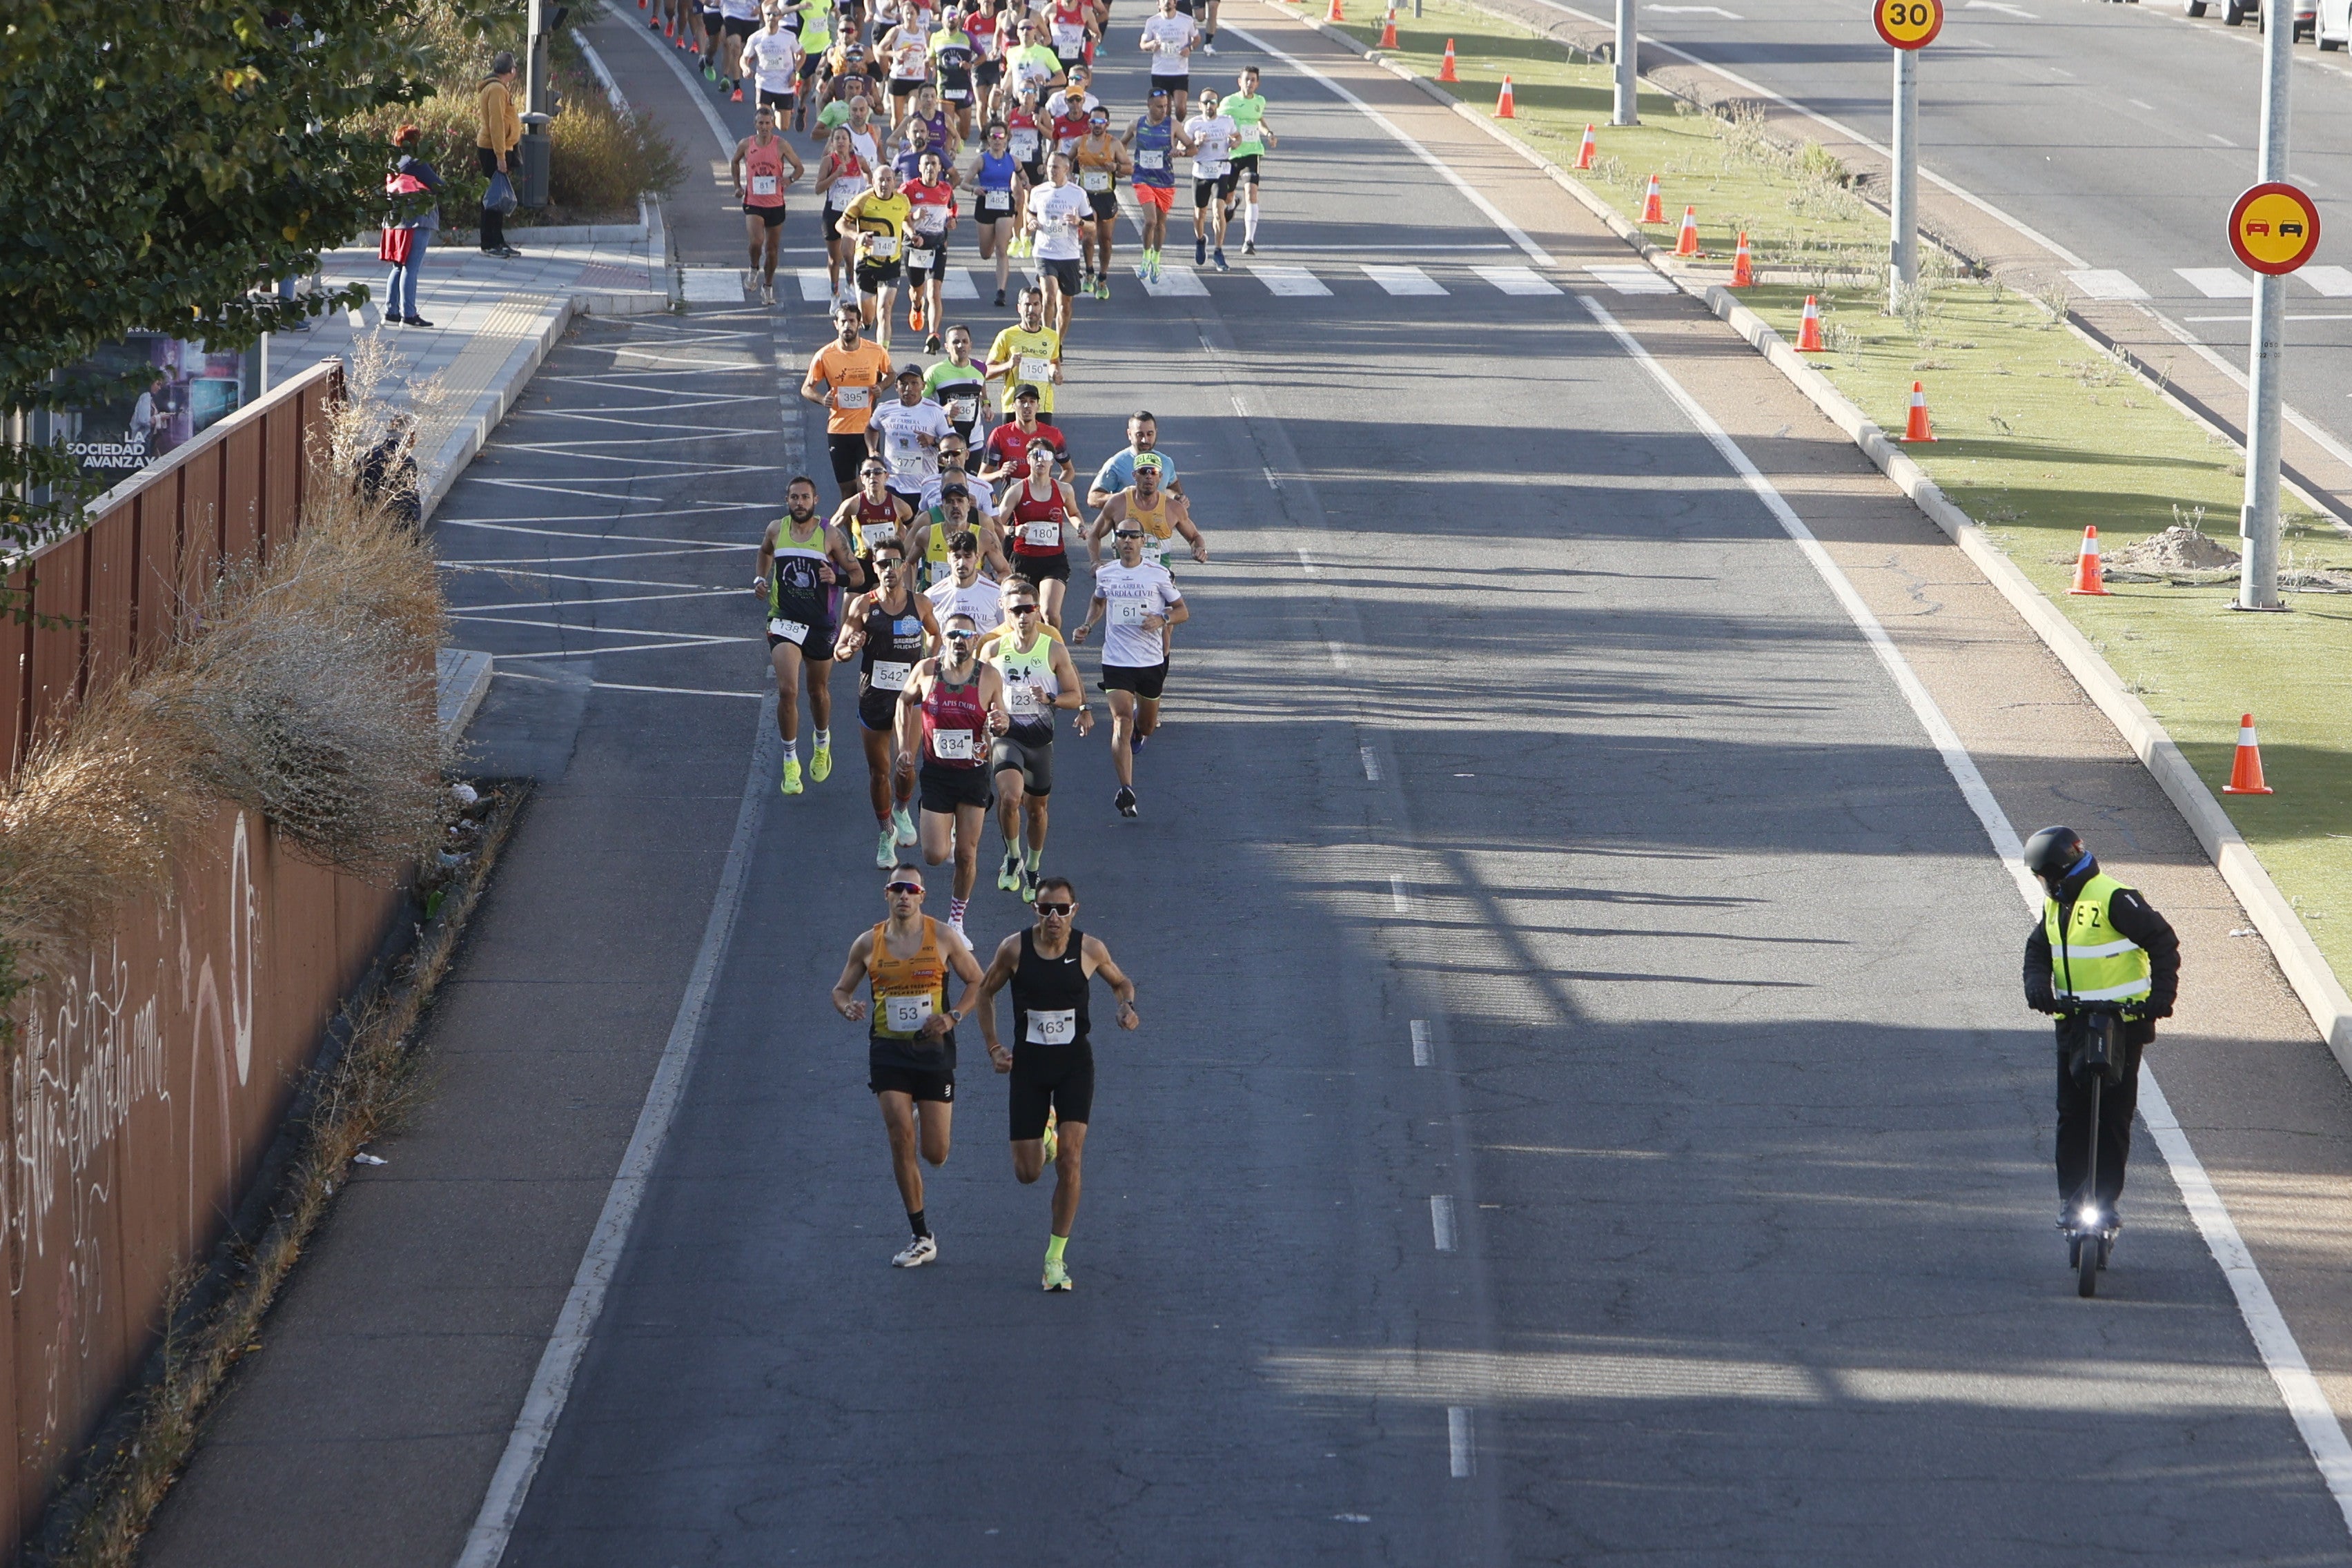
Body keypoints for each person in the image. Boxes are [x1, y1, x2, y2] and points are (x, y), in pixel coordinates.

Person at [973, 877, 1140, 1291]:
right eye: (1046, 909)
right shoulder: (1014, 949)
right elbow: (984, 993)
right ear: (1036, 910)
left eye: (1061, 910)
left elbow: (1121, 982)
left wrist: (1126, 1006)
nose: (1053, 917)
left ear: (1074, 911)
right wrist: (993, 1047)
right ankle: (1047, 1135)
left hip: (1073, 1066)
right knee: (1027, 1172)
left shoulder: (1090, 949)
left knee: (1071, 1160)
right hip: (1029, 1067)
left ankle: (1055, 1258)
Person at [2021, 825, 2180, 1244]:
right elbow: (2039, 948)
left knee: (2114, 1116)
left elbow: (2162, 941)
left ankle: (2105, 1203)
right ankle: (2072, 1202)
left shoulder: (2113, 897)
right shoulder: (2057, 904)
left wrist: (2160, 997)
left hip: (2123, 1024)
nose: (2042, 883)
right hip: (2074, 1022)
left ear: (2058, 872)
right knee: (2071, 1115)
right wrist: (2037, 986)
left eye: (2042, 875)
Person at [830, 865, 986, 1268]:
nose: (904, 895)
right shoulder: (868, 943)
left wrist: (952, 1017)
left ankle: (921, 1114)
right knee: (900, 1138)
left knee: (935, 1153)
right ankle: (921, 1236)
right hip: (889, 1052)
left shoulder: (944, 937)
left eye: (911, 889)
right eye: (897, 888)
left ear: (922, 896)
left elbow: (978, 981)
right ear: (887, 894)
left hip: (933, 1053)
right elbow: (840, 990)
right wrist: (847, 1007)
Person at [899, 612, 1011, 935]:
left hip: (973, 774)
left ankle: (957, 922)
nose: (959, 641)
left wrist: (1001, 723)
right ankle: (940, 824)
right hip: (937, 773)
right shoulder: (926, 670)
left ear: (975, 640)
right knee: (934, 855)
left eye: (965, 635)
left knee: (966, 854)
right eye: (952, 635)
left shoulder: (989, 676)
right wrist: (904, 747)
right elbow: (903, 702)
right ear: (943, 640)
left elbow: (1001, 718)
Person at [977, 582, 1088, 902]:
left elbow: (1074, 696)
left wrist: (1050, 698)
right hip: (1007, 736)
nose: (1023, 616)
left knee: (1038, 811)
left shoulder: (1054, 650)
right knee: (1011, 797)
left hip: (1040, 740)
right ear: (1007, 613)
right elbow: (978, 697)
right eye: (1016, 610)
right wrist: (982, 729)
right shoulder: (992, 650)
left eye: (1029, 609)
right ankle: (1013, 855)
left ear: (1038, 611)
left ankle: (1033, 866)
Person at [834, 538, 941, 865]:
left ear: (904, 566)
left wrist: (930, 664)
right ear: (875, 568)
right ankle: (886, 833)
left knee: (906, 764)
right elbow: (839, 652)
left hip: (909, 698)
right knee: (879, 773)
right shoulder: (863, 606)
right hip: (874, 698)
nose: (889, 569)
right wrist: (852, 647)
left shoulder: (920, 603)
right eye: (883, 564)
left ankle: (902, 808)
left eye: (895, 563)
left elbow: (936, 634)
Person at [1070, 520, 1184, 818]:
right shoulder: (1106, 573)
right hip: (1116, 661)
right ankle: (1126, 789)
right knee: (1121, 720)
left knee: (1145, 726)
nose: (1128, 541)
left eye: (1134, 536)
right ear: (1116, 541)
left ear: (1143, 542)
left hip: (1150, 662)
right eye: (1123, 536)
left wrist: (1162, 619)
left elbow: (1182, 611)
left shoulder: (1157, 574)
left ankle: (1140, 730)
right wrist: (1087, 625)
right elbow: (1098, 602)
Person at [755, 476, 859, 793]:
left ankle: (822, 742)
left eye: (805, 497)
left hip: (820, 625)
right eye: (794, 497)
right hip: (783, 620)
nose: (799, 503)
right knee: (788, 690)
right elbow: (765, 552)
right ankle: (790, 762)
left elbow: (858, 575)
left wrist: (836, 579)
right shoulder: (776, 529)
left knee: (817, 691)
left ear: (815, 500)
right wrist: (759, 579)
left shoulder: (831, 535)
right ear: (787, 500)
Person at [801, 302, 894, 500]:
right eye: (843, 321)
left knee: (869, 485)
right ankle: (851, 522)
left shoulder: (875, 351)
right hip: (839, 431)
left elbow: (891, 374)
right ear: (836, 324)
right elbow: (806, 388)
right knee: (847, 489)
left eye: (852, 321)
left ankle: (867, 520)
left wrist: (881, 387)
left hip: (867, 431)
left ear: (859, 323)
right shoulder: (825, 355)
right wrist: (822, 399)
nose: (847, 326)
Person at [1001, 435, 1081, 629]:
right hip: (1023, 560)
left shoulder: (1064, 490)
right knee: (1026, 615)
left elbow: (1073, 513)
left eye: (1045, 456)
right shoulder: (1017, 491)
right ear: (1028, 459)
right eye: (1035, 455)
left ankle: (1057, 647)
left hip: (1053, 561)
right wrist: (1014, 530)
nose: (1040, 460)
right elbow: (995, 524)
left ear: (1052, 461)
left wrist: (1080, 526)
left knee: (1049, 613)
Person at [1087, 453, 1204, 581]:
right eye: (1143, 472)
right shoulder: (1118, 503)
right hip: (1124, 579)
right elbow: (1094, 534)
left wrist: (1199, 550)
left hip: (1159, 579)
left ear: (1160, 476)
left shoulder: (1173, 508)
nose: (1149, 476)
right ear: (1134, 475)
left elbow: (1194, 537)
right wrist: (1095, 561)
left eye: (1154, 472)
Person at [732, 106, 808, 303]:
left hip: (775, 204)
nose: (764, 127)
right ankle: (753, 268)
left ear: (773, 124)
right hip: (753, 202)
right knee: (756, 242)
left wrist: (790, 180)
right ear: (755, 124)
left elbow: (799, 167)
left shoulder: (781, 145)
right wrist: (738, 186)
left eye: (767, 123)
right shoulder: (746, 144)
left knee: (772, 250)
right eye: (761, 123)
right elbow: (735, 162)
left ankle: (767, 287)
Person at [1123, 90, 1193, 284]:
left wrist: (1181, 153)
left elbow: (1192, 148)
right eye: (1159, 107)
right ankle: (1145, 257)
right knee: (1150, 221)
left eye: (1166, 106)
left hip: (1165, 181)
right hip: (1142, 179)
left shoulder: (1173, 125)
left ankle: (1156, 259)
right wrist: (1124, 163)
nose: (1164, 110)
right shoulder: (1136, 124)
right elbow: (1122, 145)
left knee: (1161, 224)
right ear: (1149, 105)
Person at [841, 161, 914, 348]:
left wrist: (912, 234)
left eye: (888, 180)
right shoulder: (863, 200)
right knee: (868, 318)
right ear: (873, 182)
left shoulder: (902, 201)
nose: (884, 184)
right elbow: (841, 224)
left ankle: (882, 355)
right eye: (881, 180)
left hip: (891, 264)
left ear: (894, 181)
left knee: (884, 310)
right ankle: (866, 323)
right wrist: (858, 236)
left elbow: (906, 220)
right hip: (866, 264)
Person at [872, 364, 953, 515]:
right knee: (892, 528)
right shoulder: (884, 409)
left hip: (924, 486)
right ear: (896, 387)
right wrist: (872, 450)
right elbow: (871, 428)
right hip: (892, 484)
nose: (908, 389)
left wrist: (933, 441)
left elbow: (953, 444)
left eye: (914, 383)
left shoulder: (937, 412)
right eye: (903, 384)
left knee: (922, 528)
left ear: (923, 385)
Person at [1023, 152, 1090, 334]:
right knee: (1049, 296)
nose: (1051, 170)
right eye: (1049, 166)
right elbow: (1030, 213)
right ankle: (1047, 339)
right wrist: (1032, 221)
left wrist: (1079, 222)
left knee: (1064, 305)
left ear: (1066, 169)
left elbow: (1092, 226)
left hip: (1068, 254)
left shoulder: (1077, 193)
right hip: (1045, 252)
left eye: (1056, 167)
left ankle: (1058, 342)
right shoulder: (1038, 191)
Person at [385, 126, 442, 329]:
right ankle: (409, 315)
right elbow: (438, 185)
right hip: (417, 220)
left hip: (395, 221)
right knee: (411, 267)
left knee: (398, 267)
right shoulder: (416, 163)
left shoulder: (394, 162)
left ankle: (391, 312)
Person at [901, 150, 959, 351]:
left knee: (934, 292)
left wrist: (952, 220)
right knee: (918, 292)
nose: (930, 168)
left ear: (940, 168)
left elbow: (952, 209)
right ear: (919, 168)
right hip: (915, 246)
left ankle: (933, 334)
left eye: (934, 164)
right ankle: (917, 307)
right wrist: (914, 217)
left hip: (937, 245)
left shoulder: (946, 189)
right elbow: (899, 215)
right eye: (926, 164)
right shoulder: (909, 189)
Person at [964, 121, 1026, 307]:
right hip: (985, 204)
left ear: (1007, 139)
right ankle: (989, 250)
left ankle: (1001, 291)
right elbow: (964, 183)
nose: (997, 140)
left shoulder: (1013, 161)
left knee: (1001, 249)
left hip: (1005, 205)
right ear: (988, 139)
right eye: (993, 137)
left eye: (1001, 136)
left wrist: (1024, 184)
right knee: (986, 253)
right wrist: (974, 189)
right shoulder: (981, 160)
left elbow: (1024, 178)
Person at [1072, 108, 1130, 299]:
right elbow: (1065, 161)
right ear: (1089, 124)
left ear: (1107, 124)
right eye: (1094, 122)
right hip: (1086, 197)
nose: (1097, 126)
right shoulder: (1079, 142)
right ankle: (1089, 272)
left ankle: (1102, 277)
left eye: (1101, 122)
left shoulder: (1114, 144)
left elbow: (1129, 168)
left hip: (1106, 196)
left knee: (1106, 240)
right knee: (1089, 237)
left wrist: (1116, 167)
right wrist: (1068, 179)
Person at [834, 454, 917, 587]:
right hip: (862, 564)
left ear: (886, 476)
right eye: (867, 473)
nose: (872, 477)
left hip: (888, 565)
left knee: (886, 598)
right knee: (850, 601)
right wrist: (844, 554)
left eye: (878, 472)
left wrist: (903, 550)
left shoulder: (899, 505)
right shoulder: (852, 504)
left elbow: (915, 531)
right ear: (862, 479)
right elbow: (829, 530)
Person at [985, 291, 1064, 420]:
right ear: (1019, 308)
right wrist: (1008, 365)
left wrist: (1055, 373)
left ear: (1042, 308)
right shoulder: (1007, 335)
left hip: (1042, 407)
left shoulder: (1052, 336)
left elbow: (1053, 362)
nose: (1031, 309)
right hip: (1014, 406)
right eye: (1027, 305)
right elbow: (986, 372)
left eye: (1036, 304)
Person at [1223, 65, 1275, 254]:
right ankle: (1231, 204)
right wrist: (1227, 139)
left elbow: (1259, 119)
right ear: (1240, 82)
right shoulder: (1229, 102)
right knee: (1227, 196)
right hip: (1233, 155)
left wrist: (1268, 133)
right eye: (1246, 79)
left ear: (1257, 83)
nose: (1249, 83)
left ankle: (1249, 241)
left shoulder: (1260, 101)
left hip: (1252, 153)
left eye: (1253, 80)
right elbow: (1219, 123)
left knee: (1251, 193)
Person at [476, 52, 522, 260]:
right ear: (511, 70)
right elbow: (496, 124)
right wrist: (500, 156)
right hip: (493, 149)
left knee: (499, 195)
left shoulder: (499, 87)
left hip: (501, 147)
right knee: (493, 196)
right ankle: (489, 243)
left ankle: (498, 240)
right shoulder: (496, 89)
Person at [813, 129, 869, 304]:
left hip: (851, 215)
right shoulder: (828, 161)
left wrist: (868, 188)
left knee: (848, 254)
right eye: (837, 138)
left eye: (844, 138)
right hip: (833, 212)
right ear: (832, 143)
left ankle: (851, 285)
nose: (841, 142)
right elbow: (818, 189)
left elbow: (870, 174)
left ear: (850, 142)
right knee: (834, 259)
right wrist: (836, 175)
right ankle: (834, 294)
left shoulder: (859, 160)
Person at [1184, 89, 1237, 271]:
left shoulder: (1227, 121)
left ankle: (1218, 251)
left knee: (1218, 211)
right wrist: (1196, 143)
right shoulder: (1193, 124)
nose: (1209, 106)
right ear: (1200, 105)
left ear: (1218, 105)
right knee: (1200, 213)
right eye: (1206, 102)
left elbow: (1237, 137)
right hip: (1201, 172)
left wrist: (1235, 142)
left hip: (1221, 171)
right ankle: (1200, 240)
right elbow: (1181, 147)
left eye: (1212, 102)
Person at [914, 499, 1010, 596]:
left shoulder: (983, 534)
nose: (955, 506)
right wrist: (910, 592)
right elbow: (909, 562)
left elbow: (1006, 572)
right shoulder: (927, 533)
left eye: (968, 556)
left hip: (974, 597)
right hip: (937, 599)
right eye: (950, 501)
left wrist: (990, 577)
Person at [1086, 409, 1182, 507]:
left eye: (1150, 434)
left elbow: (1174, 490)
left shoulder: (1166, 462)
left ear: (1156, 433)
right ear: (1129, 434)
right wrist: (1121, 497)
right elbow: (1093, 499)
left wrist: (1178, 498)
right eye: (1140, 435)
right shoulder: (1116, 463)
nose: (1145, 440)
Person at [980, 385, 1070, 487]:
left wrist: (1056, 488)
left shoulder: (1053, 434)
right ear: (1014, 406)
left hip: (1042, 493)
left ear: (1038, 407)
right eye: (1022, 401)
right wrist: (1000, 473)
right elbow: (982, 477)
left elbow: (1068, 470)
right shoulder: (1000, 434)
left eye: (1032, 401)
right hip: (1011, 494)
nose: (1027, 405)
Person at [924, 324, 990, 442]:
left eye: (965, 341)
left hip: (974, 439)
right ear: (947, 347)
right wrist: (942, 411)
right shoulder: (935, 372)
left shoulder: (980, 367)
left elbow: (981, 390)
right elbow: (918, 403)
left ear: (970, 345)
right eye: (956, 342)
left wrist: (986, 405)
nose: (961, 345)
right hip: (945, 439)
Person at [1139, 0, 1199, 121]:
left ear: (1175, 3)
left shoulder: (1186, 20)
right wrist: (1151, 45)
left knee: (1180, 108)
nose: (1167, 2)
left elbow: (1197, 38)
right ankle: (1168, 131)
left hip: (1180, 71)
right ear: (1158, 3)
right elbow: (1143, 44)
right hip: (1160, 72)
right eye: (1164, 0)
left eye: (1170, 0)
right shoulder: (1152, 22)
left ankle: (1179, 127)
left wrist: (1190, 48)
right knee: (1165, 110)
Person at [745, 5, 806, 120]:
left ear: (780, 17)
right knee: (763, 121)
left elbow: (802, 55)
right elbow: (744, 58)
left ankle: (775, 110)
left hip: (784, 85)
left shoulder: (789, 36)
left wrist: (795, 72)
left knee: (784, 126)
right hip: (764, 84)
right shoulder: (755, 38)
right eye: (768, 14)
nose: (771, 17)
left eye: (775, 14)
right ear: (764, 16)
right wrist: (746, 68)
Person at [932, 6, 979, 143]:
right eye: (948, 17)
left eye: (954, 17)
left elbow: (983, 55)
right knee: (946, 130)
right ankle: (949, 154)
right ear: (942, 20)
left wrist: (971, 64)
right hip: (945, 87)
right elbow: (931, 58)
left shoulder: (967, 36)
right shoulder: (936, 37)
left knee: (965, 133)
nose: (951, 19)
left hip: (963, 87)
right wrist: (927, 63)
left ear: (959, 20)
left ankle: (956, 139)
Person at [719, 0, 764, 97]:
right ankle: (737, 88)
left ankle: (743, 62)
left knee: (749, 53)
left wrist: (760, 6)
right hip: (732, 13)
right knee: (735, 48)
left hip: (751, 16)